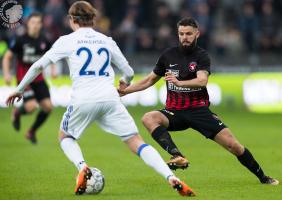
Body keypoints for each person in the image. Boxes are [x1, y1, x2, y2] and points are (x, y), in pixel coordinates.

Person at [6, 1, 195, 196]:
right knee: (136, 141)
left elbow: (38, 66)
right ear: (93, 19)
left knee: (65, 136)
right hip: (110, 98)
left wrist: (19, 89)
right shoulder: (107, 40)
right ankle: (171, 177)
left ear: (72, 20)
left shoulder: (67, 40)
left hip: (83, 99)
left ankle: (82, 167)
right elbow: (128, 71)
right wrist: (123, 81)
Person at [118, 17, 279, 185]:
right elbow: (149, 80)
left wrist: (180, 82)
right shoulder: (168, 55)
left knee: (234, 146)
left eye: (188, 34)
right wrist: (125, 91)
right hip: (175, 111)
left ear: (197, 34)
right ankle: (177, 155)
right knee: (148, 118)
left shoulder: (202, 56)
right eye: (181, 34)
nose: (185, 37)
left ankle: (263, 177)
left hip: (199, 111)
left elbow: (202, 80)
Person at [2, 12, 56, 144]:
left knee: (48, 107)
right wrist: (7, 73)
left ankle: (31, 131)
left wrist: (53, 70)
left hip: (39, 79)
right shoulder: (20, 39)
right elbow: (7, 57)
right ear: (28, 24)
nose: (35, 25)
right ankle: (17, 112)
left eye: (38, 23)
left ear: (41, 25)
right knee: (31, 107)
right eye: (33, 22)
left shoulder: (44, 40)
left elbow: (53, 55)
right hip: (24, 78)